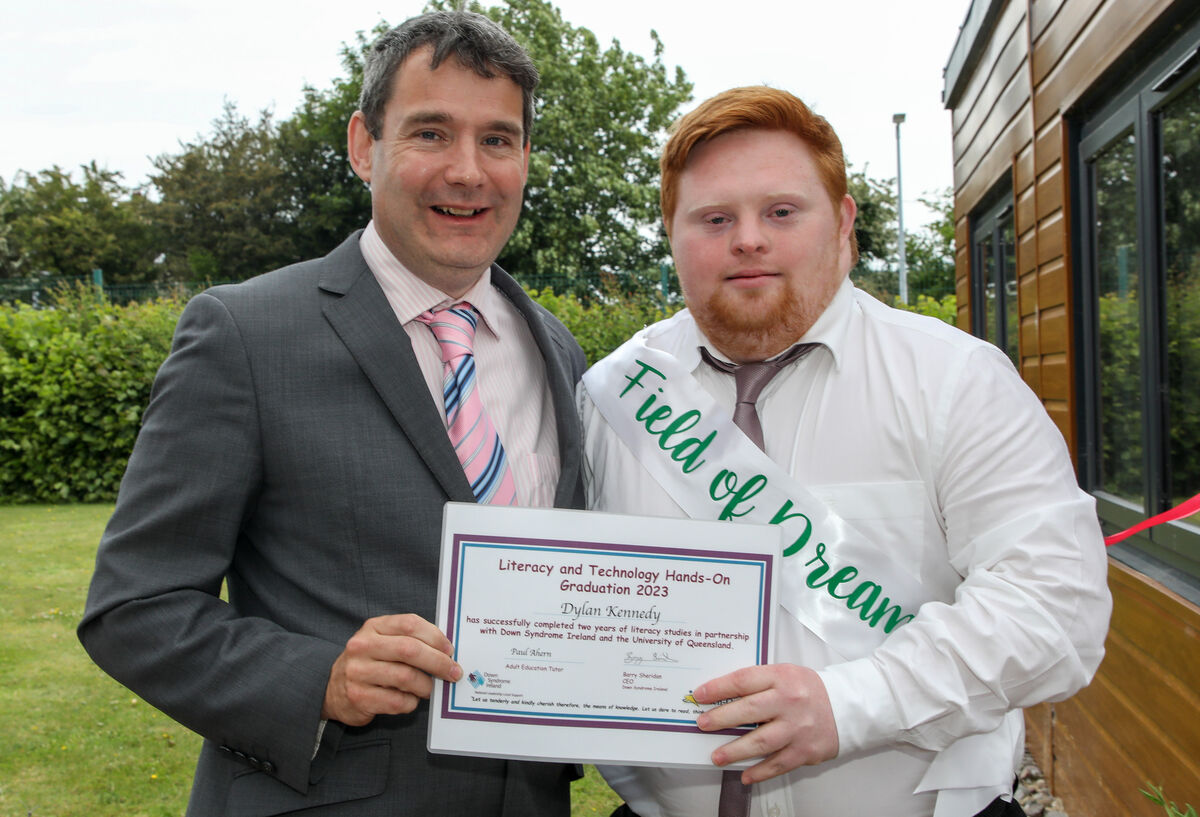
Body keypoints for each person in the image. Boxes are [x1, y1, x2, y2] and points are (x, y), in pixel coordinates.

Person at [78, 11, 586, 816]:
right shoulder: (243, 334)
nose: (468, 170)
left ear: (524, 158)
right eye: (430, 133)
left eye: (497, 139)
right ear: (363, 145)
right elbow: (134, 608)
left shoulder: (557, 351)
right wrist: (320, 679)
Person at [578, 86, 1111, 817]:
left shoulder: (955, 380)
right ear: (672, 233)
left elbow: (1057, 607)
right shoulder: (611, 396)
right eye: (714, 218)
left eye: (781, 211)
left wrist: (850, 703)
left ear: (844, 224)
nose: (749, 240)